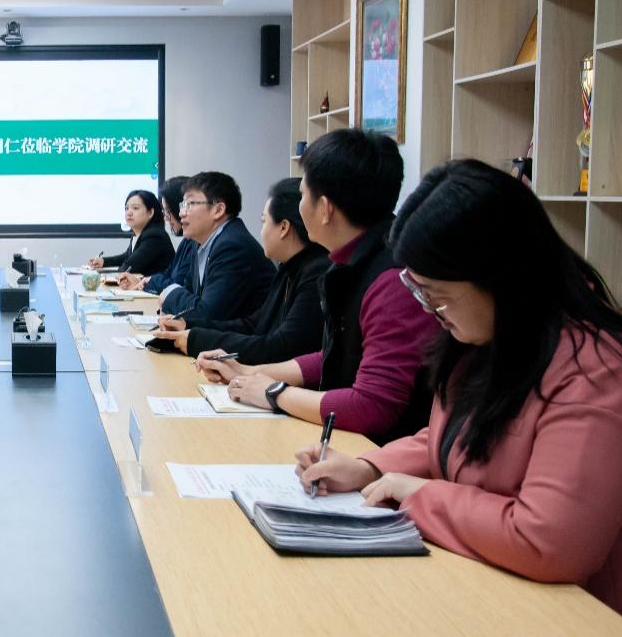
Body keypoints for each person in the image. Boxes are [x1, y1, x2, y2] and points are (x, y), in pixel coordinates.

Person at [295, 160, 622, 637]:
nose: (432, 312)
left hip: (592, 618)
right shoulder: (490, 337)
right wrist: (370, 468)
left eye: (438, 296)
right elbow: (454, 436)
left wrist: (421, 496)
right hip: (495, 590)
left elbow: (548, 541)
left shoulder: (603, 372)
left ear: (499, 277)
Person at [196, 129, 437, 443]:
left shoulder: (392, 279)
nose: (298, 206)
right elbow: (335, 356)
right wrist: (250, 372)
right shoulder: (352, 258)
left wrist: (274, 392)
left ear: (325, 209)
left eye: (303, 195)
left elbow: (374, 406)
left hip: (374, 453)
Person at [152, 177, 326, 359]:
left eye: (264, 221)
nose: (181, 213)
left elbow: (281, 346)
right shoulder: (289, 269)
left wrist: (196, 339)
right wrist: (188, 325)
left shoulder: (315, 272)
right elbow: (255, 324)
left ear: (283, 228)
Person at [155, 171, 275, 321]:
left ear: (218, 210)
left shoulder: (233, 246)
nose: (181, 213)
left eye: (189, 204)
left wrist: (170, 293)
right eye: (182, 205)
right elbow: (190, 295)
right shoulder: (200, 243)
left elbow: (207, 315)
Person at [117, 176, 194, 294]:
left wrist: (144, 281)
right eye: (126, 208)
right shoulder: (187, 241)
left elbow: (177, 285)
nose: (166, 217)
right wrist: (142, 281)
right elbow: (168, 274)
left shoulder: (155, 236)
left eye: (168, 211)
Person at [87, 190, 175, 276]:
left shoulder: (155, 236)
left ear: (150, 213)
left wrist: (107, 274)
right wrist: (103, 261)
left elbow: (130, 267)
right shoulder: (139, 234)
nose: (129, 212)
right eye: (127, 208)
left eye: (135, 208)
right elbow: (127, 257)